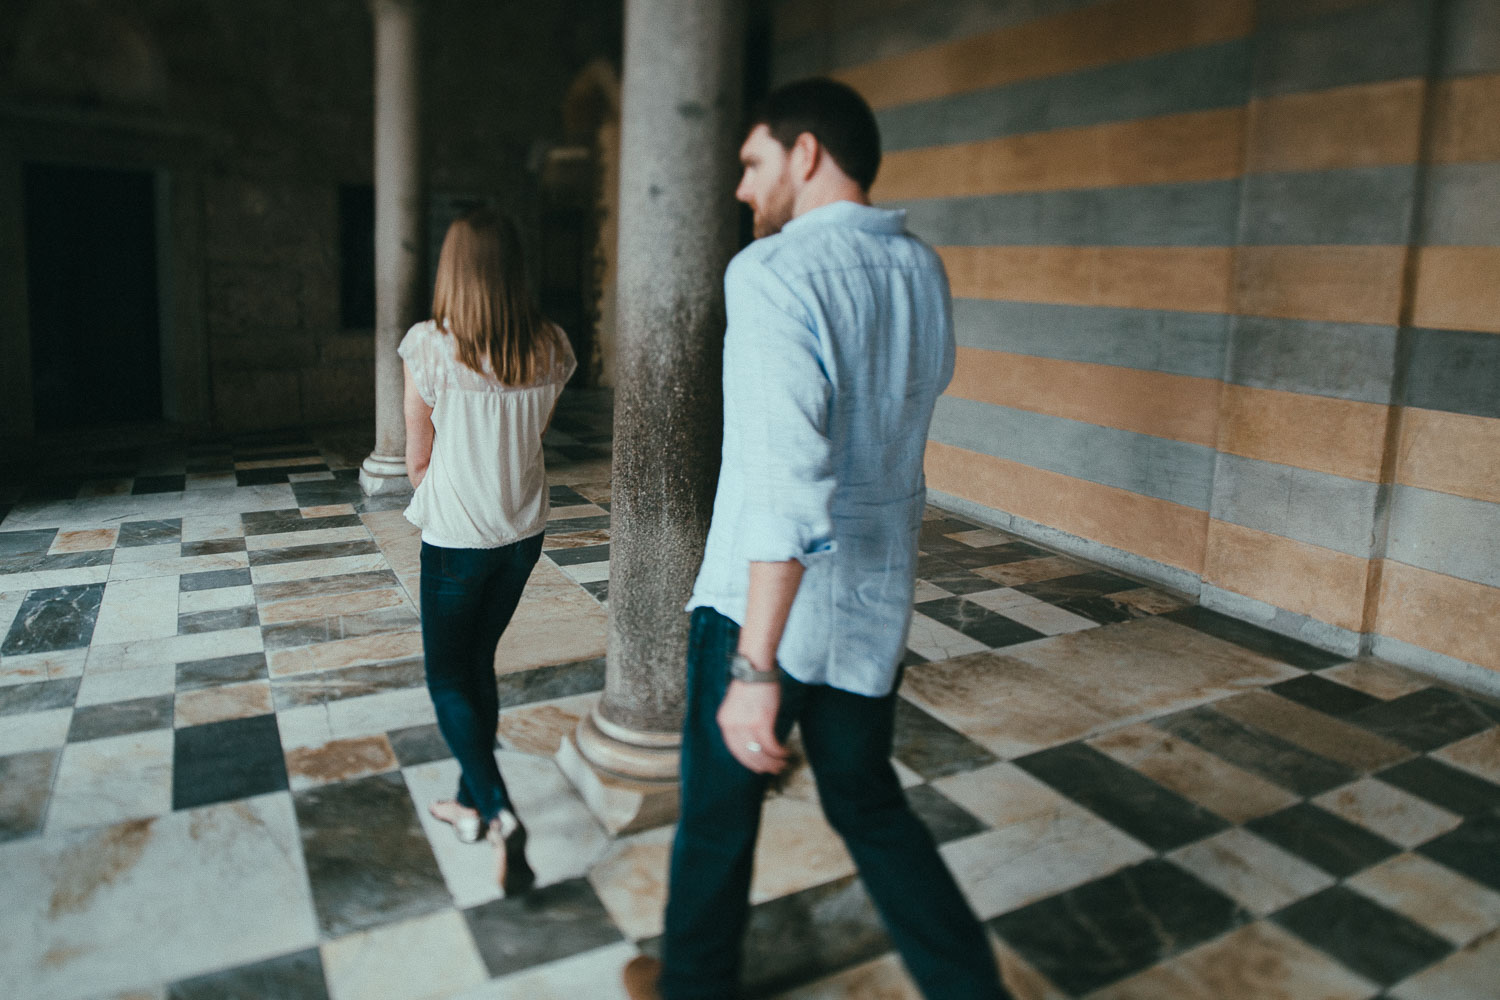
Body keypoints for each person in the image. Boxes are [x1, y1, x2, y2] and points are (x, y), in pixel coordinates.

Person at [623, 79, 1010, 1000]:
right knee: (870, 806)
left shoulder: (770, 275)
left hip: (765, 609)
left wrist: (754, 670)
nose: (742, 189)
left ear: (804, 155)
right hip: (871, 600)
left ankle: (691, 988)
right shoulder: (922, 269)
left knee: (716, 822)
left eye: (754, 164)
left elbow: (788, 485)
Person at [400, 209, 576, 895]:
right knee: (479, 665)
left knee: (448, 678)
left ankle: (501, 813)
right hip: (522, 536)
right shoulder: (555, 347)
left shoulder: (429, 347)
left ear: (452, 269)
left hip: (456, 540)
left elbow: (418, 461)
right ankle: (471, 807)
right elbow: (532, 438)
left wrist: (447, 488)